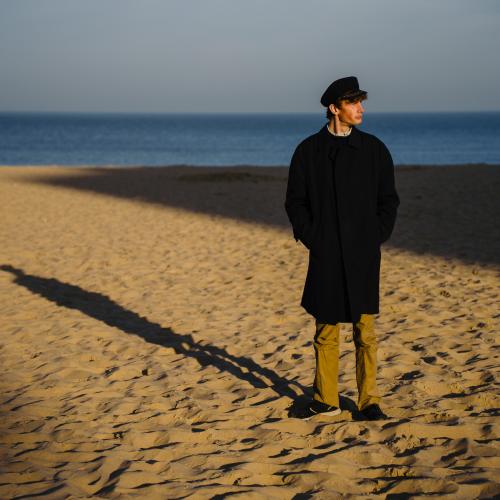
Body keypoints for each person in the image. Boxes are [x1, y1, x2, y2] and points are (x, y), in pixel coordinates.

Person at [285, 76, 400, 420]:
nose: (360, 109)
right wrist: (314, 237)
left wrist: (375, 234)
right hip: (326, 253)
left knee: (365, 332)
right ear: (334, 109)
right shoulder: (308, 151)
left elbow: (388, 200)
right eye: (353, 103)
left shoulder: (374, 150)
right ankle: (326, 400)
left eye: (361, 102)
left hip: (363, 253)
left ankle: (369, 402)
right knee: (326, 331)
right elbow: (295, 201)